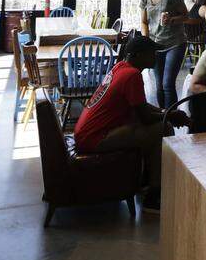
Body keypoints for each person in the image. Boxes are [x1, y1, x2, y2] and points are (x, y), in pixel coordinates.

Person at [74, 33, 190, 212]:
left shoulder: (120, 67)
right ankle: (153, 195)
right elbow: (145, 116)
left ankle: (145, 181)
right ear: (137, 55)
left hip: (86, 133)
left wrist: (166, 112)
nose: (155, 56)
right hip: (95, 138)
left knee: (158, 126)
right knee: (163, 129)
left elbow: (140, 106)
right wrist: (170, 116)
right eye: (151, 53)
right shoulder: (132, 75)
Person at [139, 0, 198, 110]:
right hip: (155, 45)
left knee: (167, 84)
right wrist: (146, 41)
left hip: (175, 43)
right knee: (158, 86)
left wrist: (171, 19)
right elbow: (144, 22)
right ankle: (163, 116)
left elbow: (186, 15)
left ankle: (172, 119)